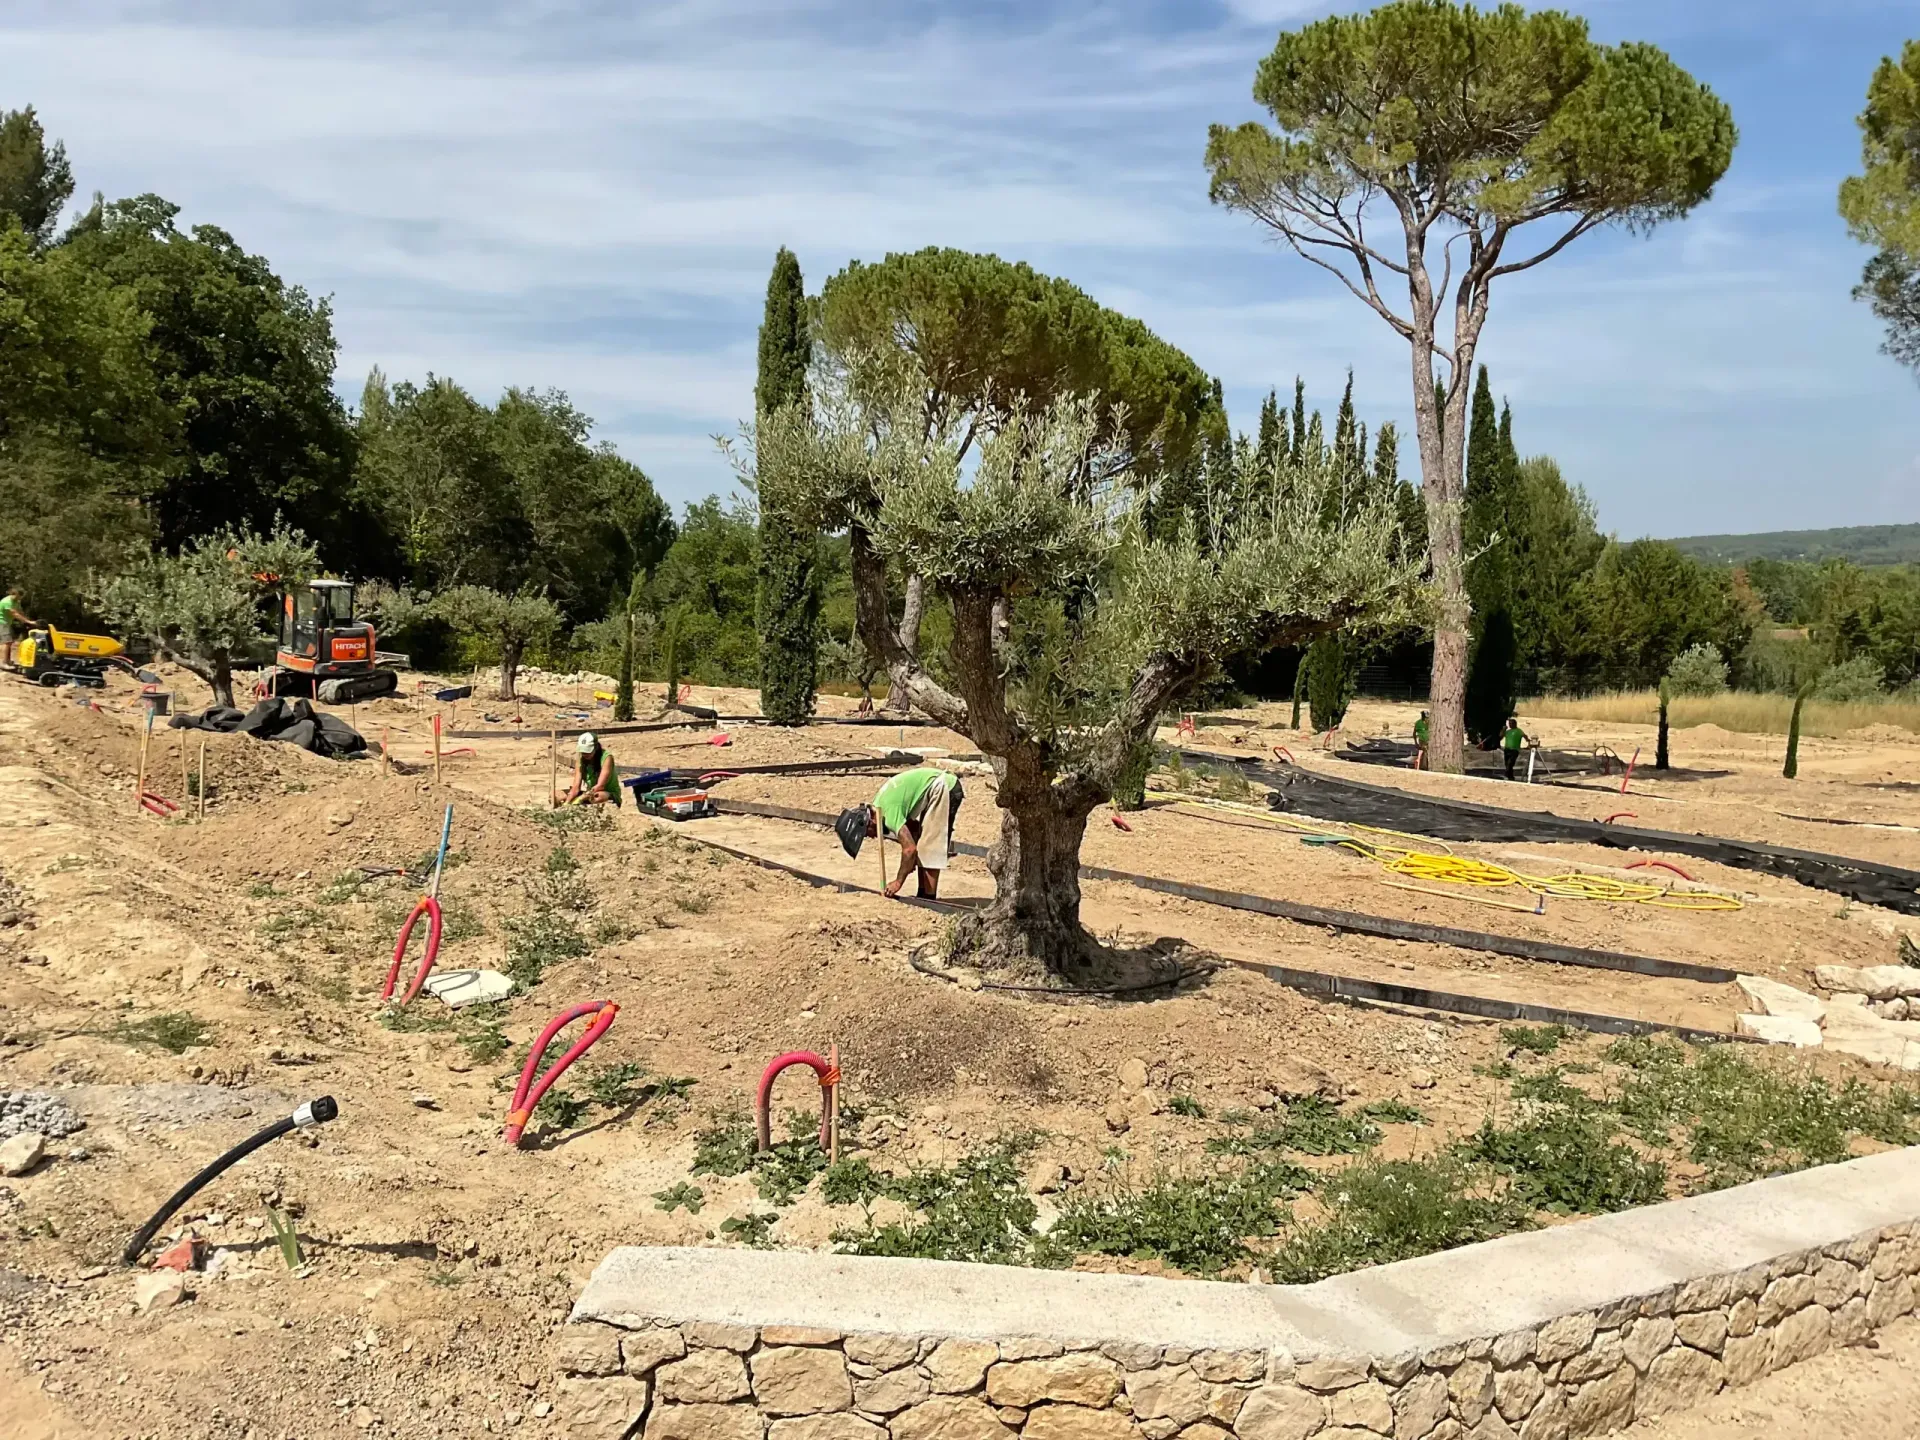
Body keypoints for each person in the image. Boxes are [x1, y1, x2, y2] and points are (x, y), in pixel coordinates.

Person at [835, 766, 964, 899]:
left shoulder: (888, 814)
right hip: (937, 786)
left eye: (867, 833)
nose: (872, 837)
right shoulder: (880, 806)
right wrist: (910, 861)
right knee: (923, 842)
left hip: (944, 786)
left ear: (868, 822)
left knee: (931, 846)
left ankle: (929, 898)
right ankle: (923, 895)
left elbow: (910, 849)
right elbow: (913, 829)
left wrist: (898, 882)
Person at [562, 731, 621, 806]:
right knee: (557, 795)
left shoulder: (606, 758)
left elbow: (600, 786)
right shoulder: (580, 760)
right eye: (583, 752)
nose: (585, 754)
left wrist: (580, 798)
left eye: (588, 751)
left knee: (596, 797)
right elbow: (576, 787)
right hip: (588, 793)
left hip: (605, 793)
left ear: (595, 747)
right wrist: (567, 803)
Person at [0, 588, 37, 669]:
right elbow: (15, 614)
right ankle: (3, 663)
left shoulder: (16, 601)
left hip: (8, 623)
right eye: (20, 596)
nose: (20, 598)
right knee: (6, 642)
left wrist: (26, 621)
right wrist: (28, 622)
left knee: (9, 642)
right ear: (15, 594)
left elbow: (20, 611)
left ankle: (8, 661)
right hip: (2, 622)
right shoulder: (7, 602)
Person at [1500, 716, 1534, 780]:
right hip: (1507, 749)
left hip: (1514, 750)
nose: (1510, 725)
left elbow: (1525, 737)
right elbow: (1500, 737)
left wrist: (1529, 743)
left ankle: (1506, 774)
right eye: (1509, 723)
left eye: (1511, 723)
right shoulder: (1507, 731)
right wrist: (1504, 729)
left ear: (1515, 724)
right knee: (1507, 764)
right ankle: (1511, 777)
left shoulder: (1519, 731)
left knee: (1510, 763)